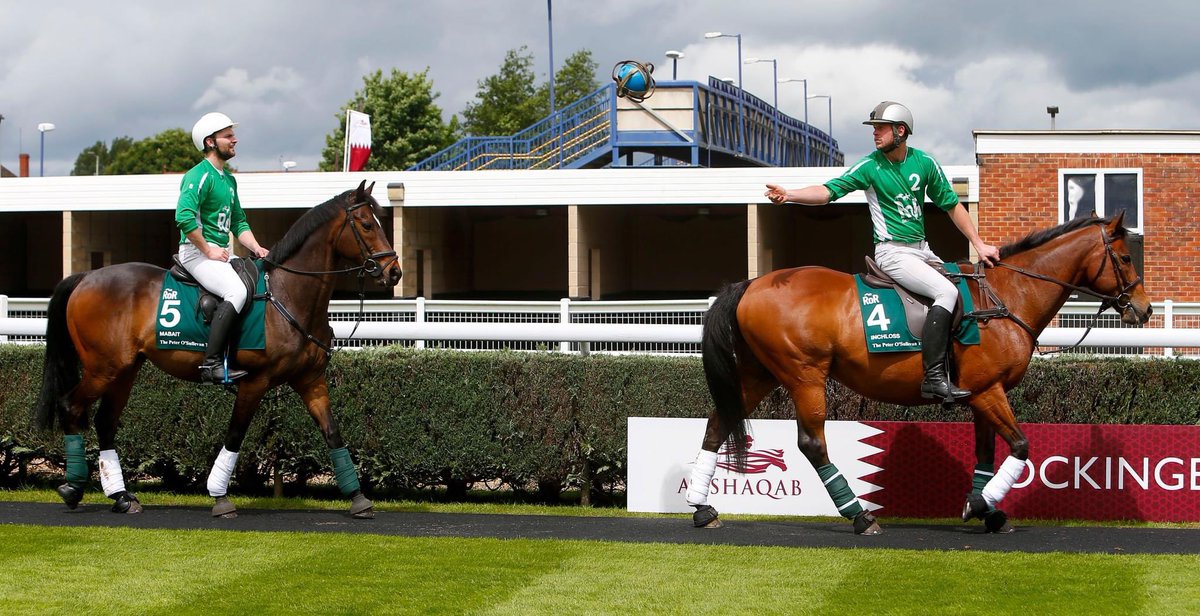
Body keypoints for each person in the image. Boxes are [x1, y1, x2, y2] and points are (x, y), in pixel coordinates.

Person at [764, 101, 1001, 401]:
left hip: (923, 251)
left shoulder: (925, 163)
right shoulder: (869, 166)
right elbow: (827, 191)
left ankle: (956, 366)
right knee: (946, 293)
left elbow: (952, 205)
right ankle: (933, 378)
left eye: (880, 128)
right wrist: (790, 194)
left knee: (962, 290)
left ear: (900, 131)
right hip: (893, 254)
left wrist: (979, 244)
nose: (874, 133)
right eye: (874, 128)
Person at [176, 112, 270, 384]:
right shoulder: (198, 175)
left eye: (233, 134)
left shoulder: (229, 180)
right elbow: (183, 217)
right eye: (228, 136)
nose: (234, 139)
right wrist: (208, 250)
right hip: (197, 254)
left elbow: (238, 222)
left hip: (221, 255)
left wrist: (257, 247)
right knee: (236, 291)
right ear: (210, 142)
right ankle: (211, 365)